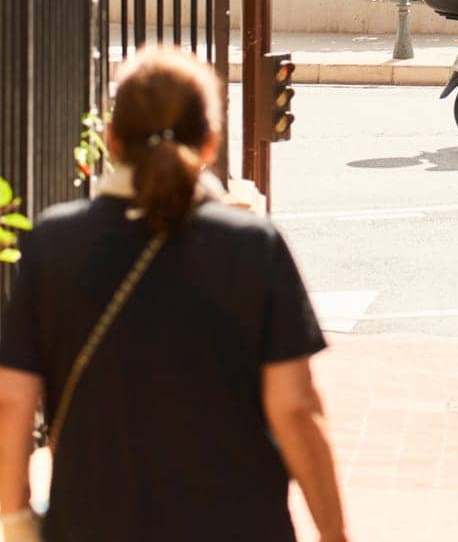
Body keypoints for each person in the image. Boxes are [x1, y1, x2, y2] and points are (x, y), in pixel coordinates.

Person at [0, 48, 347, 542]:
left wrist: (15, 519)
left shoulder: (53, 244)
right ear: (210, 142)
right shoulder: (251, 246)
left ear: (111, 139)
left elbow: (12, 400)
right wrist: (335, 534)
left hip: (91, 523)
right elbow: (294, 406)